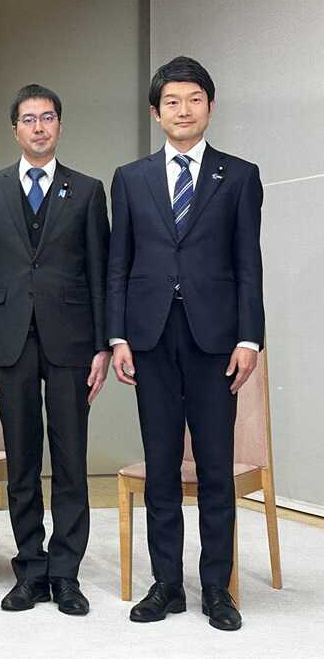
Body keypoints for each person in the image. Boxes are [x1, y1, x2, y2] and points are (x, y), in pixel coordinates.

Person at [108, 56, 264, 632]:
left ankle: (217, 588)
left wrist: (250, 338)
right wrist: (118, 335)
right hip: (149, 337)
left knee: (215, 467)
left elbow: (248, 264)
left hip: (215, 340)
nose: (183, 110)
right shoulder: (131, 178)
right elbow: (119, 264)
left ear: (210, 107)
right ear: (156, 113)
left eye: (194, 99)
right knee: (161, 466)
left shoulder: (239, 176)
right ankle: (166, 585)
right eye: (171, 101)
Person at [0, 84, 110, 617]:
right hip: (8, 338)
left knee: (71, 458)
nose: (39, 127)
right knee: (22, 458)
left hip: (72, 338)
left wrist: (103, 344)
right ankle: (30, 568)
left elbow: (101, 272)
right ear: (15, 130)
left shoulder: (88, 190)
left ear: (60, 125)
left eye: (47, 117)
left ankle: (65, 573)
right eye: (28, 119)